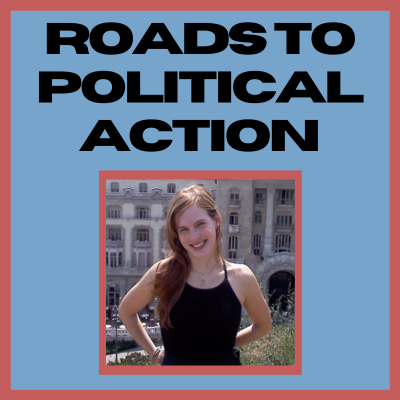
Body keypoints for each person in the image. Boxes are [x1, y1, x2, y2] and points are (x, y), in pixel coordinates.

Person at [118, 184, 272, 365]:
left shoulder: (241, 277)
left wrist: (225, 344)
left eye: (200, 224)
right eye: (184, 229)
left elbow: (263, 325)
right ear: (176, 234)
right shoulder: (163, 272)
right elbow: (126, 311)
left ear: (216, 221)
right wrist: (154, 353)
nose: (194, 236)